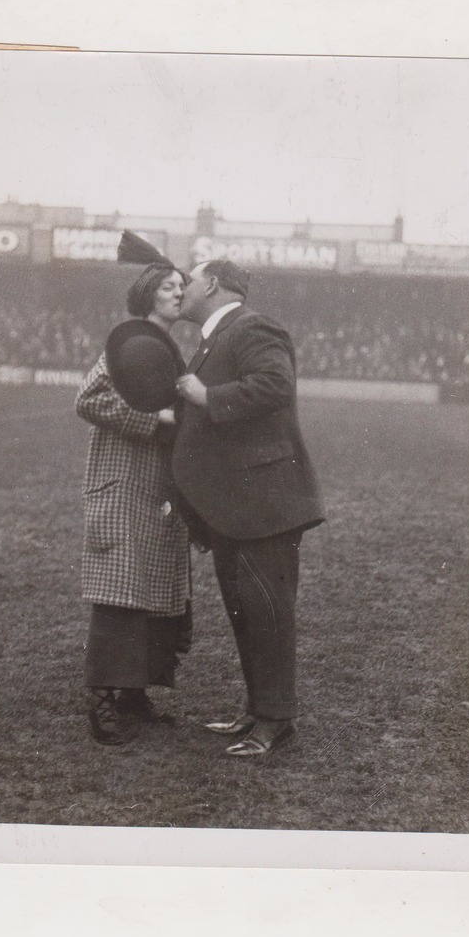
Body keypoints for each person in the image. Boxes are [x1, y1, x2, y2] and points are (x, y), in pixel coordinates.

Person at [172, 259, 325, 757]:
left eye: (189, 281)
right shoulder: (218, 336)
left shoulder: (252, 326)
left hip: (265, 503)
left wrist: (205, 394)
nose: (181, 290)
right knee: (247, 611)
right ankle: (259, 709)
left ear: (212, 284)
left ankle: (276, 720)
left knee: (267, 611)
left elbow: (275, 386)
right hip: (237, 506)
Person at [75, 241, 191, 746]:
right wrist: (152, 420)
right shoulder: (123, 348)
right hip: (122, 481)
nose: (178, 292)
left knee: (154, 587)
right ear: (148, 294)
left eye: (182, 287)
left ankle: (134, 692)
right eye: (169, 286)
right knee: (120, 588)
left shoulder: (173, 352)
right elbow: (88, 399)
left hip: (159, 488)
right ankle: (102, 699)